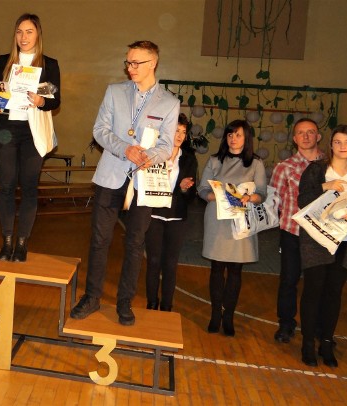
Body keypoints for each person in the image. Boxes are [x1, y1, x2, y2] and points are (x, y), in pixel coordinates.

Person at [69, 40, 180, 325]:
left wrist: (148, 155)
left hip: (143, 180)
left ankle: (124, 303)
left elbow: (167, 145)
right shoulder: (114, 92)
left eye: (136, 63)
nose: (130, 68)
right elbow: (100, 131)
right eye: (128, 62)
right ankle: (92, 297)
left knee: (135, 243)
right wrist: (124, 148)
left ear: (152, 63)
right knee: (99, 240)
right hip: (111, 175)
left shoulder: (169, 102)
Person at [0, 13, 61, 262]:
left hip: (32, 132)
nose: (23, 37)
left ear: (38, 34)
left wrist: (41, 100)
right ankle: (6, 241)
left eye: (29, 31)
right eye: (19, 31)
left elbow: (55, 100)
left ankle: (22, 243)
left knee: (29, 188)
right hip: (6, 129)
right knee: (5, 187)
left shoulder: (49, 64)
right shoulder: (4, 61)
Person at [297, 124, 347, 367]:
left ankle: (326, 343)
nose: (342, 147)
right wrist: (324, 188)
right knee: (312, 292)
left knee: (333, 295)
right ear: (330, 145)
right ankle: (308, 343)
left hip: (345, 246)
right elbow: (303, 200)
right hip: (317, 242)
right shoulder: (317, 171)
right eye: (337, 142)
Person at [197, 120, 266, 336]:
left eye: (237, 135)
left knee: (235, 270)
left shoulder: (256, 164)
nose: (232, 139)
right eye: (229, 135)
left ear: (246, 139)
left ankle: (229, 316)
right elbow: (202, 189)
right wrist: (214, 196)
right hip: (218, 219)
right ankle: (216, 313)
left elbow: (262, 194)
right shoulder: (215, 160)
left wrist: (249, 198)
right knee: (217, 268)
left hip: (241, 221)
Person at [269, 118, 323, 343]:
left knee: (317, 284)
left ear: (318, 136)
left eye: (311, 132)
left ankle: (316, 326)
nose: (307, 136)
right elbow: (274, 201)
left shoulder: (330, 167)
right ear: (295, 138)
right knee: (289, 280)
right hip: (292, 233)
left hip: (321, 236)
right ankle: (286, 324)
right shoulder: (284, 168)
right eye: (301, 133)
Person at [145, 113, 197, 311]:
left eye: (183, 132)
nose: (180, 135)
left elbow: (191, 194)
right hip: (155, 214)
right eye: (176, 130)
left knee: (170, 263)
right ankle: (151, 302)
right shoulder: (156, 153)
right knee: (154, 260)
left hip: (177, 216)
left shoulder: (189, 159)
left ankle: (167, 304)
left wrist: (184, 188)